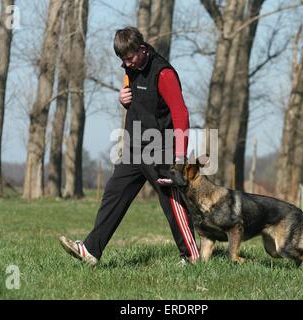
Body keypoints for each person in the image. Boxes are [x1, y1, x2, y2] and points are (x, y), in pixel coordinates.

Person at [59, 26, 199, 265]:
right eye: (123, 59)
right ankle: (91, 250)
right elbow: (141, 103)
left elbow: (180, 113)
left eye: (130, 57)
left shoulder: (163, 73)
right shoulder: (130, 67)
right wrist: (123, 101)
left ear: (142, 48)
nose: (127, 63)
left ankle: (191, 255)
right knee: (114, 194)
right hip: (134, 145)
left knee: (171, 201)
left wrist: (179, 154)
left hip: (160, 147)